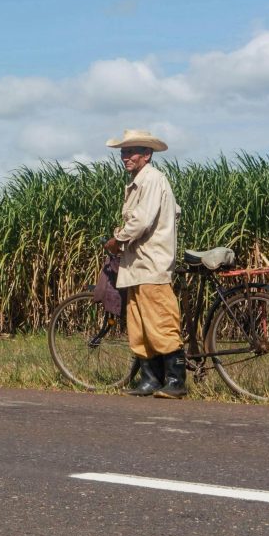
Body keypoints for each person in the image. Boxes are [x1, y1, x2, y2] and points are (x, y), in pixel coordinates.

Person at [103, 129, 187, 398]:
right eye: (123, 152)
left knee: (161, 321)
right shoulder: (139, 181)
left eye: (131, 152)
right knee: (139, 324)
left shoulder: (152, 179)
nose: (125, 157)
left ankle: (176, 380)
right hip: (138, 264)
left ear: (147, 155)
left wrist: (117, 239)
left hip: (151, 263)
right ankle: (150, 379)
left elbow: (140, 221)